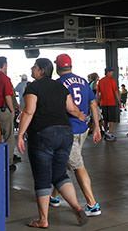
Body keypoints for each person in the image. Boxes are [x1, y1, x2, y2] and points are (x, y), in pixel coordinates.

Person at [16, 58, 88, 228]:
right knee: (59, 175)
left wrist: (20, 134)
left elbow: (29, 111)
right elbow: (71, 108)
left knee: (42, 178)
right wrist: (80, 116)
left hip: (43, 135)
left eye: (34, 67)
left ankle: (43, 220)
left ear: (41, 70)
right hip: (65, 133)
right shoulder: (60, 86)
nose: (32, 69)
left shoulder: (33, 87)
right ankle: (77, 207)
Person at [50, 53, 103, 217]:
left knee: (78, 166)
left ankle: (92, 204)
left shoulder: (58, 84)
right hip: (83, 129)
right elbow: (93, 104)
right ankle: (54, 196)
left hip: (68, 131)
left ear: (57, 67)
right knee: (65, 161)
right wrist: (96, 127)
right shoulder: (83, 81)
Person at [96, 68, 120, 142]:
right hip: (111, 103)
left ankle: (106, 133)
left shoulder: (100, 81)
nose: (112, 73)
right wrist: (119, 101)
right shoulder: (112, 80)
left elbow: (99, 94)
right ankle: (110, 134)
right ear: (108, 72)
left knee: (105, 119)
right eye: (111, 72)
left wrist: (98, 102)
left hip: (103, 103)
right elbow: (116, 92)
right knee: (111, 119)